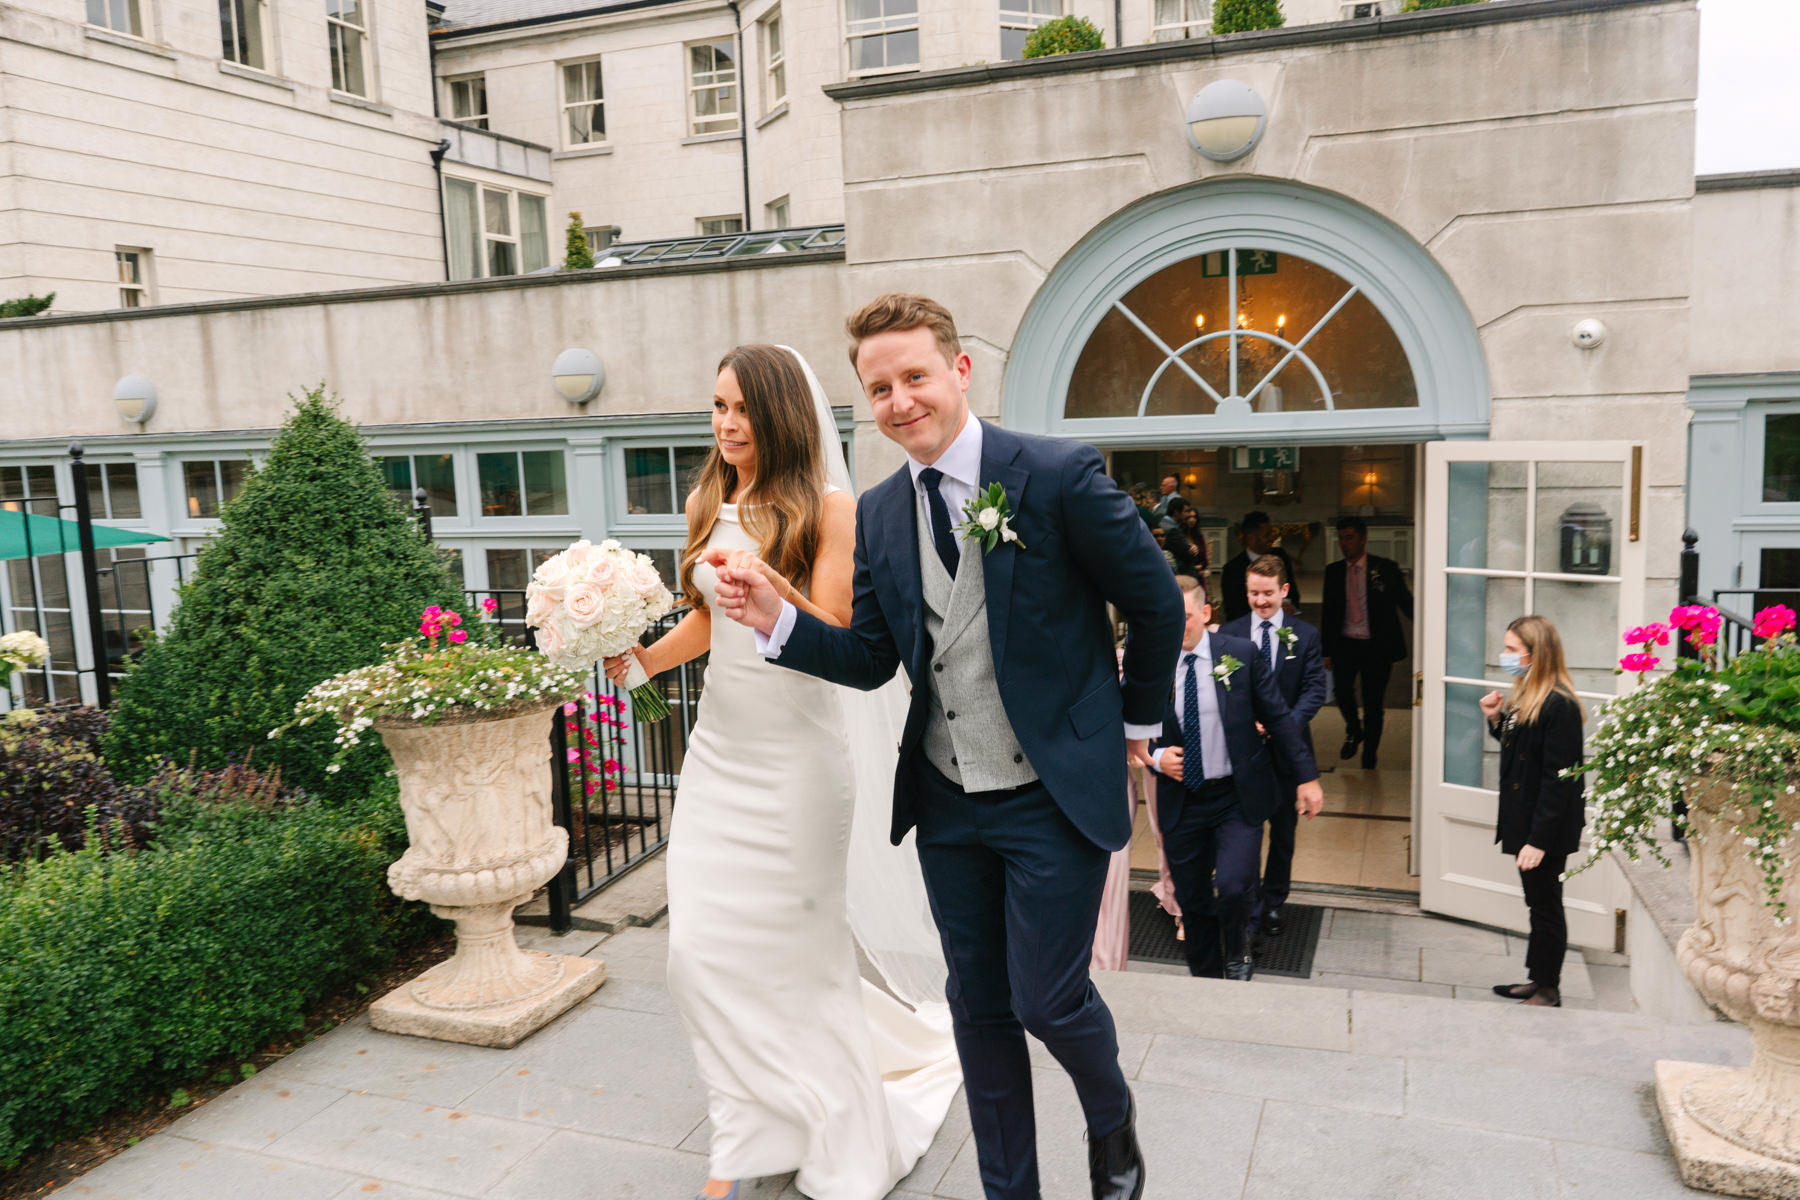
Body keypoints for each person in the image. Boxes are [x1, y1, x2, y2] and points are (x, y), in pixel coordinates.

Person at [712, 293, 1183, 1200]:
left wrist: (1133, 722)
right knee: (978, 1008)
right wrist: (779, 621)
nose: (899, 401)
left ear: (960, 372)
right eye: (879, 387)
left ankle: (1110, 1114)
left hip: (1053, 792)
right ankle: (1011, 1191)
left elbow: (1157, 604)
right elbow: (867, 658)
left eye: (914, 377)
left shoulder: (1055, 474)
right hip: (947, 802)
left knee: (1048, 998)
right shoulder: (883, 513)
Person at [603, 344, 960, 1200]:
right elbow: (707, 619)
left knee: (798, 961)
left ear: (780, 415)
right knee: (696, 953)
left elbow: (836, 629)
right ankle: (750, 1126)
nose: (726, 425)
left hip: (799, 766)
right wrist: (643, 662)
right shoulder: (710, 496)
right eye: (717, 406)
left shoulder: (831, 510)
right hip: (721, 757)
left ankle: (826, 1139)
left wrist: (771, 588)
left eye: (742, 410)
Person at [1147, 575, 1323, 980]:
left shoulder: (1240, 654)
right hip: (1182, 797)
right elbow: (1125, 725)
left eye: (1186, 617)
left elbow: (1279, 718)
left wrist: (1306, 777)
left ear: (1206, 614)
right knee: (1192, 900)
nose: (1176, 625)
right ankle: (1206, 976)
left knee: (1232, 884)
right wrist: (1156, 758)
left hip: (1234, 796)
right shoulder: (1150, 660)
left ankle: (1238, 952)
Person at [1219, 554, 1327, 940]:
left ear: (1284, 590)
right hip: (1243, 752)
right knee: (1244, 833)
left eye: (1267, 593)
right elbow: (1222, 689)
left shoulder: (1306, 636)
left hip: (1288, 751)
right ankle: (1248, 904)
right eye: (1253, 594)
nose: (1261, 601)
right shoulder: (1228, 635)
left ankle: (1274, 901)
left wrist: (1284, 725)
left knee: (1283, 834)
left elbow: (1316, 690)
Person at [1480, 615, 1586, 1008]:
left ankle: (1548, 989)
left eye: (1511, 649)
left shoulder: (1560, 705)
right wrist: (1495, 719)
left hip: (1546, 827)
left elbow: (1560, 780)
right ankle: (1537, 978)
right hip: (1529, 821)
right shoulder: (1528, 693)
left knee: (1546, 905)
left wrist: (1538, 841)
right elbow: (1521, 753)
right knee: (1538, 902)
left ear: (1534, 654)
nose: (1505, 655)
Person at [1321, 515, 1413, 769]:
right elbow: (1328, 614)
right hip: (1346, 644)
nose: (1344, 543)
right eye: (1341, 538)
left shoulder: (1385, 569)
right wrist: (1326, 651)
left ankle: (1369, 755)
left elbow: (1406, 604)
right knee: (1342, 692)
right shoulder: (1334, 572)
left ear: (1363, 539)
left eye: (1349, 538)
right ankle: (1354, 728)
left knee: (1374, 703)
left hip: (1377, 647)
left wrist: (1430, 627)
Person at [1219, 511, 1301, 623]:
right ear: (1251, 539)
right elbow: (1233, 611)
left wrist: (1289, 605)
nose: (1272, 538)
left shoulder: (1281, 556)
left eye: (1271, 533)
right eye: (1267, 535)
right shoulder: (1232, 569)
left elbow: (1293, 593)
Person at [1160, 496, 1204, 578]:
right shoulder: (1172, 529)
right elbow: (1189, 555)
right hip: (1177, 572)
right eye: (1186, 511)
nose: (1188, 515)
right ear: (1176, 512)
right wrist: (1193, 549)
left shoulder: (1163, 521)